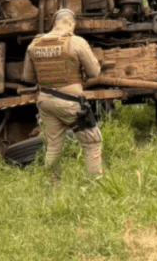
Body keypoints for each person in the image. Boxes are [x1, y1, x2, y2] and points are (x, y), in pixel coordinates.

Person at [22, 9, 103, 180]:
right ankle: (95, 184)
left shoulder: (34, 44)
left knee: (53, 147)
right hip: (70, 103)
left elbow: (29, 77)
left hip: (45, 102)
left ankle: (53, 187)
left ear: (54, 24)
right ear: (71, 22)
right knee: (92, 141)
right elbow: (94, 72)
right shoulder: (76, 42)